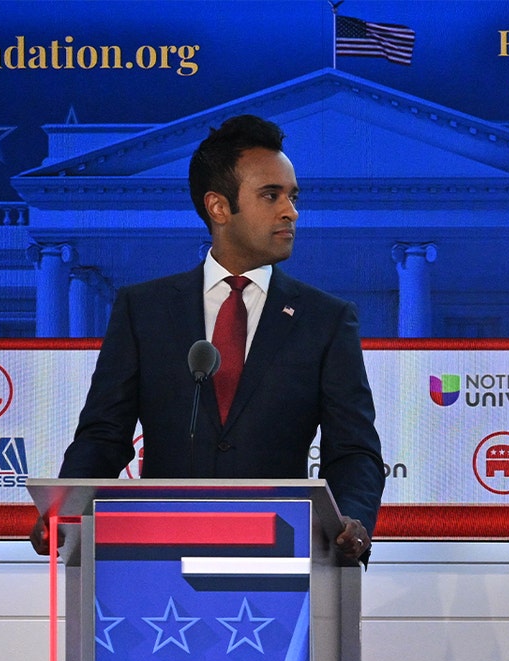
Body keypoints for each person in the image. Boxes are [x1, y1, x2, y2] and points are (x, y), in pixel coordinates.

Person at [30, 115, 385, 564]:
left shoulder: (326, 320)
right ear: (218, 207)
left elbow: (353, 450)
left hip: (283, 559)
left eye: (292, 197)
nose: (291, 211)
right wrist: (64, 509)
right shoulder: (144, 310)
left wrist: (352, 519)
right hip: (158, 557)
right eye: (271, 196)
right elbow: (104, 435)